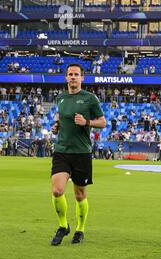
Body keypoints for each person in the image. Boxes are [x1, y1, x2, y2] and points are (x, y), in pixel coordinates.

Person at [50, 63, 106, 246]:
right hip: (62, 151)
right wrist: (56, 127)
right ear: (66, 77)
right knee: (57, 190)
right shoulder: (61, 98)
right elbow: (62, 120)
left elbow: (103, 122)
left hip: (81, 153)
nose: (73, 77)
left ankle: (80, 229)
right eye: (70, 74)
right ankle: (63, 226)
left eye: (76, 74)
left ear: (82, 77)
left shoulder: (90, 99)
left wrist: (87, 122)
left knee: (80, 195)